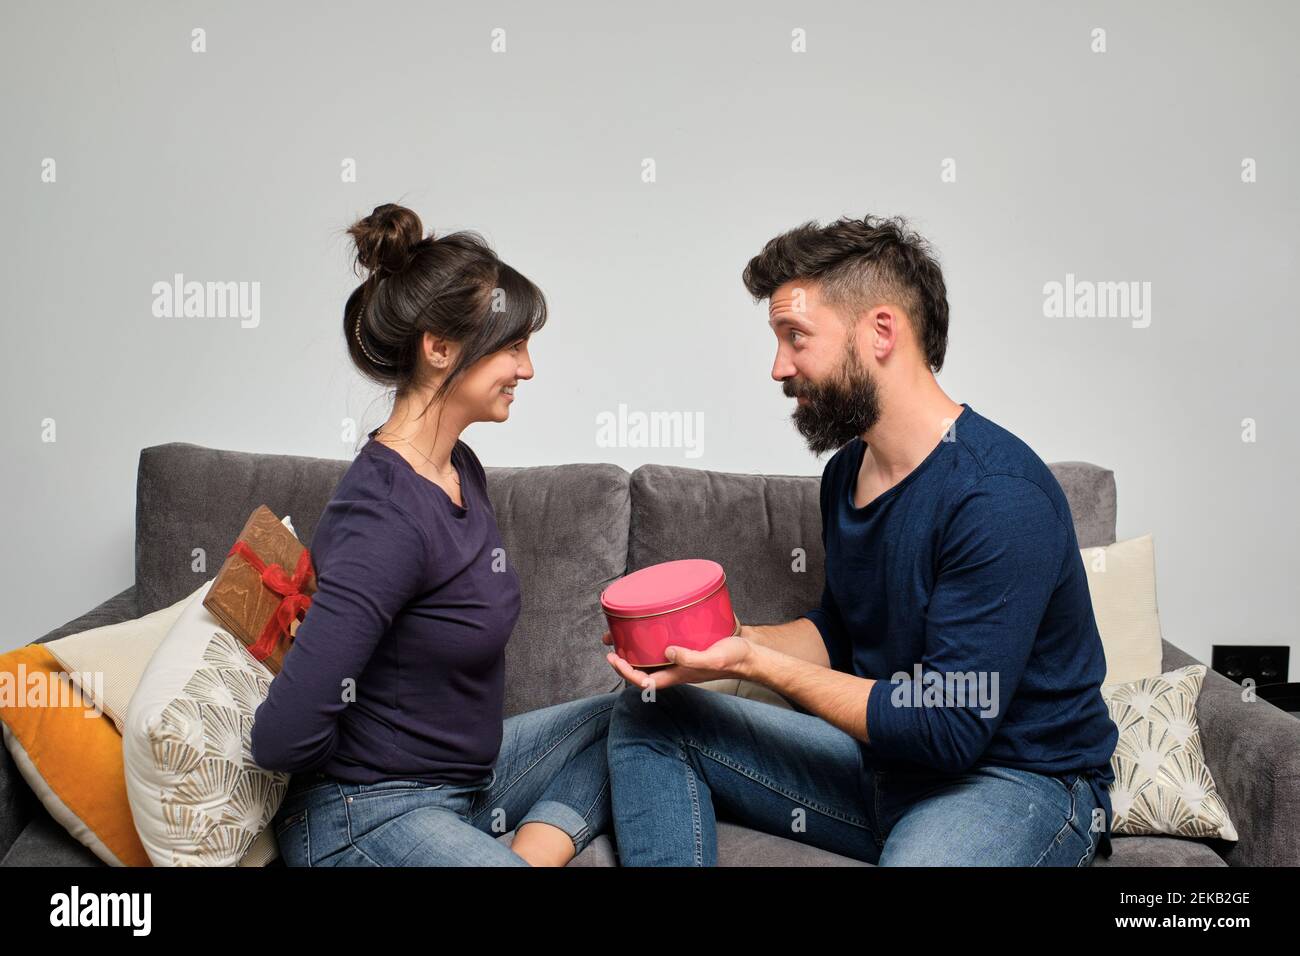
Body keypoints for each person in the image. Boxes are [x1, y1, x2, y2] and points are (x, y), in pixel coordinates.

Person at [603, 215, 1120, 866]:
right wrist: (730, 642)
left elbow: (948, 727)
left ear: (881, 332)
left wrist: (752, 665)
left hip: (1018, 780)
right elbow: (844, 635)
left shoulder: (997, 496)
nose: (777, 367)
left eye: (796, 337)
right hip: (883, 770)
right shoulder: (847, 472)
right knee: (653, 717)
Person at [252, 202, 617, 866]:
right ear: (440, 347)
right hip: (363, 814)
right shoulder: (383, 515)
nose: (527, 369)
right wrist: (376, 759)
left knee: (638, 716)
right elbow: (280, 738)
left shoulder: (460, 469)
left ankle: (531, 853)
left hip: (471, 786)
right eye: (512, 345)